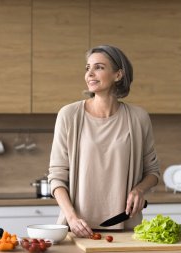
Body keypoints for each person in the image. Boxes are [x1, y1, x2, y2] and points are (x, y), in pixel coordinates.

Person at [48, 45, 160, 238]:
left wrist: (139, 190)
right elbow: (56, 176)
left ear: (118, 75)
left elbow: (153, 171)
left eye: (98, 67)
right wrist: (72, 218)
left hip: (126, 229)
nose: (90, 73)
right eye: (87, 68)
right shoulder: (69, 115)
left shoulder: (138, 118)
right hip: (78, 230)